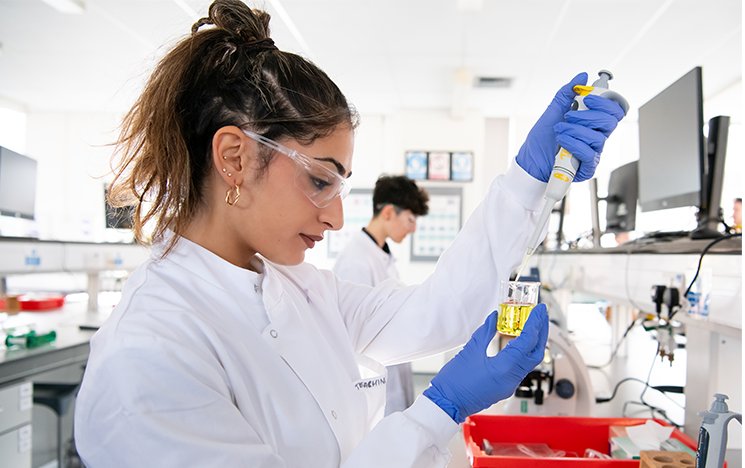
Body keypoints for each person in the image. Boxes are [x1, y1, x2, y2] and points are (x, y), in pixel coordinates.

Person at [73, 1, 625, 466]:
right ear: (234, 157)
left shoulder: (300, 287)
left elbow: (437, 312)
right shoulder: (148, 354)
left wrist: (529, 179)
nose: (337, 219)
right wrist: (441, 407)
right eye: (319, 179)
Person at [332, 175, 429, 416]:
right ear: (388, 213)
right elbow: (358, 333)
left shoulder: (381, 255)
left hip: (392, 373)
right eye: (410, 218)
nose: (414, 228)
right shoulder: (356, 262)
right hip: (370, 383)